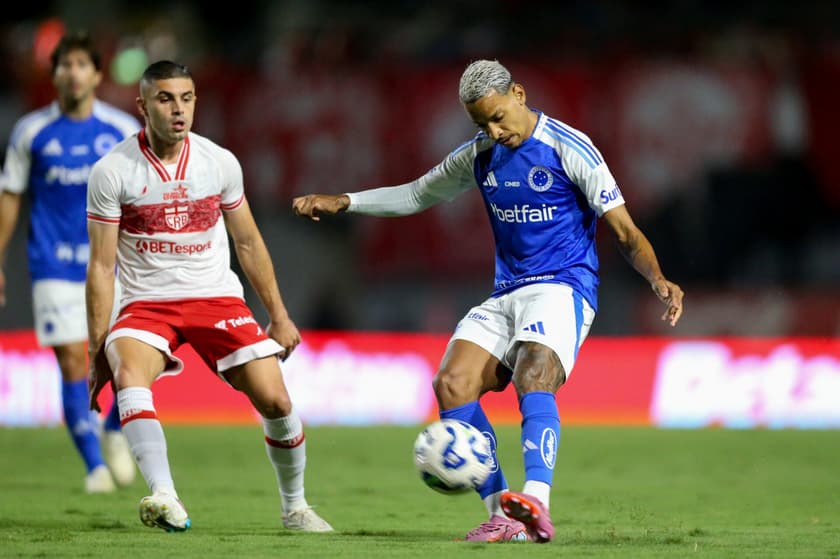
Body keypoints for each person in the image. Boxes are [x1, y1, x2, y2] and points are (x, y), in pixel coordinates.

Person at [292, 59, 684, 544]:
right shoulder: (479, 155)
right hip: (507, 291)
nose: (494, 132)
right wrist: (346, 201)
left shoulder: (570, 147)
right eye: (482, 124)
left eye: (498, 117)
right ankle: (503, 515)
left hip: (562, 287)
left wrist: (657, 278)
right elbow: (416, 195)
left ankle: (536, 502)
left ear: (518, 93)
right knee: (451, 383)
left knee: (533, 372)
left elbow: (623, 230)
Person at [85, 60, 333, 534]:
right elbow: (100, 265)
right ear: (143, 106)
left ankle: (296, 508)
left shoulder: (219, 162)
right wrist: (98, 347)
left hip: (215, 297)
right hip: (145, 302)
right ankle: (164, 495)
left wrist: (278, 315)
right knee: (130, 374)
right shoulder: (112, 171)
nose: (178, 109)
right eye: (165, 99)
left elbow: (248, 242)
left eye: (186, 98)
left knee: (276, 400)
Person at [0, 31, 139, 493]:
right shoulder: (31, 131)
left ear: (97, 74)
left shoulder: (121, 130)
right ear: (55, 74)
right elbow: (10, 196)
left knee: (130, 358)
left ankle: (115, 430)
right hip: (53, 264)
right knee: (72, 361)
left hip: (114, 263)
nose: (73, 73)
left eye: (82, 64)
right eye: (65, 65)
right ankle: (95, 466)